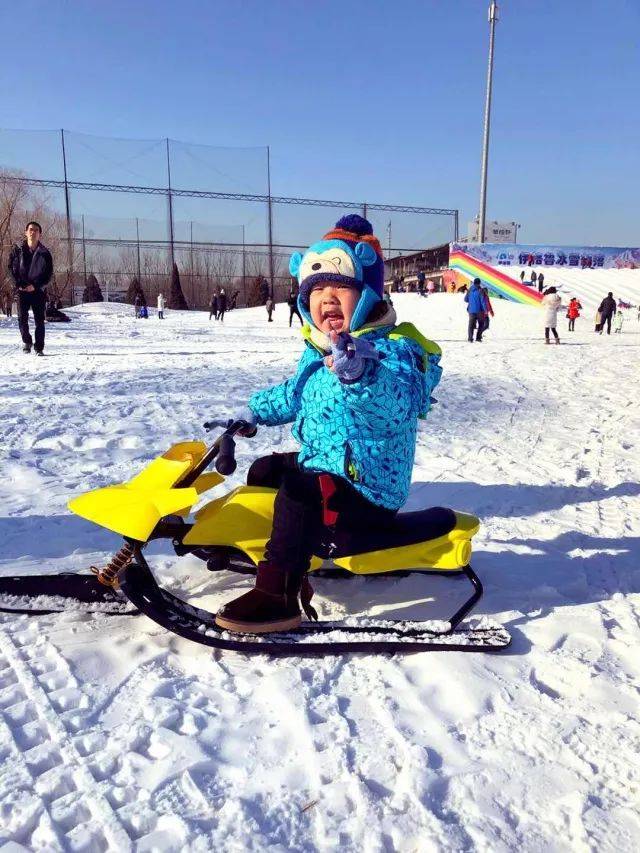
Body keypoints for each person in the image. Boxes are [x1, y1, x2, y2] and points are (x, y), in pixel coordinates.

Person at [213, 214, 442, 633]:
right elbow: (294, 393)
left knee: (301, 488)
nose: (327, 299)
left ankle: (278, 593)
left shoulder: (394, 350)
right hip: (329, 465)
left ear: (369, 296)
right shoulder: (317, 349)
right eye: (316, 291)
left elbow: (399, 402)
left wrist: (361, 374)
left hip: (367, 487)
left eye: (341, 289)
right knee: (267, 470)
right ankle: (288, 552)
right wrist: (252, 413)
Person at [7, 221, 53, 355]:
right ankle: (27, 341)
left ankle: (39, 348)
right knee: (22, 318)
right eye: (31, 230)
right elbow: (10, 270)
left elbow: (48, 274)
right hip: (21, 290)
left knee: (39, 320)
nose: (33, 232)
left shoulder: (45, 253)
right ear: (26, 232)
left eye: (36, 230)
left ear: (40, 234)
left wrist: (36, 286)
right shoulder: (17, 250)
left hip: (37, 291)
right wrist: (17, 284)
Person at [464, 278, 486, 342]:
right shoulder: (480, 290)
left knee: (471, 325)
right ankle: (478, 338)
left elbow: (465, 299)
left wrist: (471, 301)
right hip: (479, 310)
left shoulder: (470, 290)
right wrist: (485, 310)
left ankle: (470, 338)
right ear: (479, 283)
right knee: (481, 324)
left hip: (471, 311)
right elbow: (483, 301)